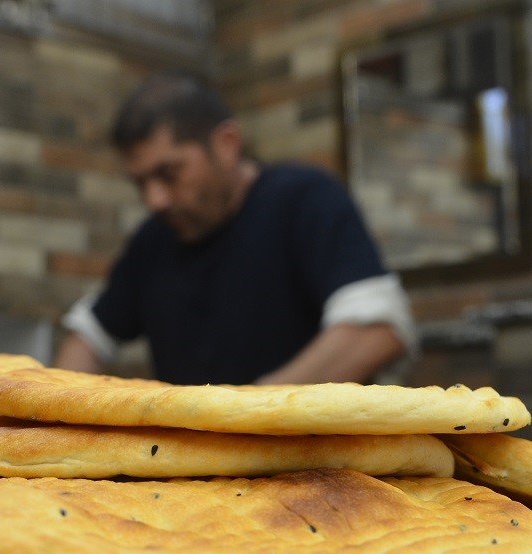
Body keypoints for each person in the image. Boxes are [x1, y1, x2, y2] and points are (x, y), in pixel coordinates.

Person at [56, 72, 415, 386]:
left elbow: (376, 332)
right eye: (141, 183)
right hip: (200, 445)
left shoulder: (303, 200)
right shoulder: (152, 241)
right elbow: (88, 337)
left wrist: (251, 412)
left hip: (305, 444)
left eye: (169, 173)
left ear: (226, 144)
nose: (155, 200)